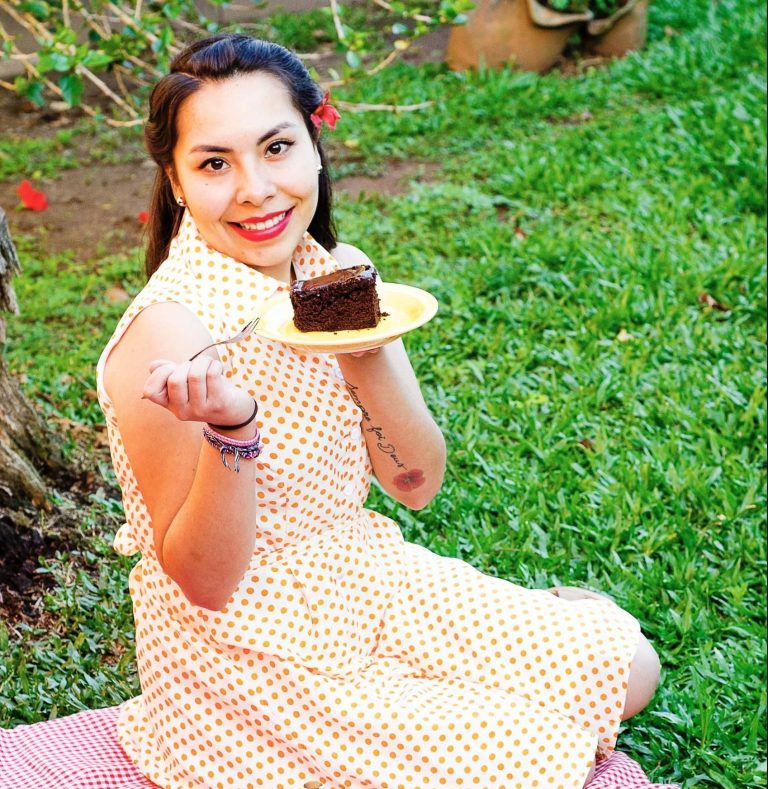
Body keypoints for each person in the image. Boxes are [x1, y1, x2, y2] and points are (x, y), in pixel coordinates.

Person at [96, 32, 661, 789]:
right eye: (214, 163)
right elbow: (203, 581)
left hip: (368, 578)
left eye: (275, 147)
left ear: (315, 144)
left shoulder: (337, 273)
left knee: (626, 669)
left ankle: (479, 652)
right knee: (525, 751)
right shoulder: (173, 331)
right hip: (250, 651)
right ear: (174, 178)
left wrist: (364, 352)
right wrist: (234, 431)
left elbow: (416, 483)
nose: (256, 189)